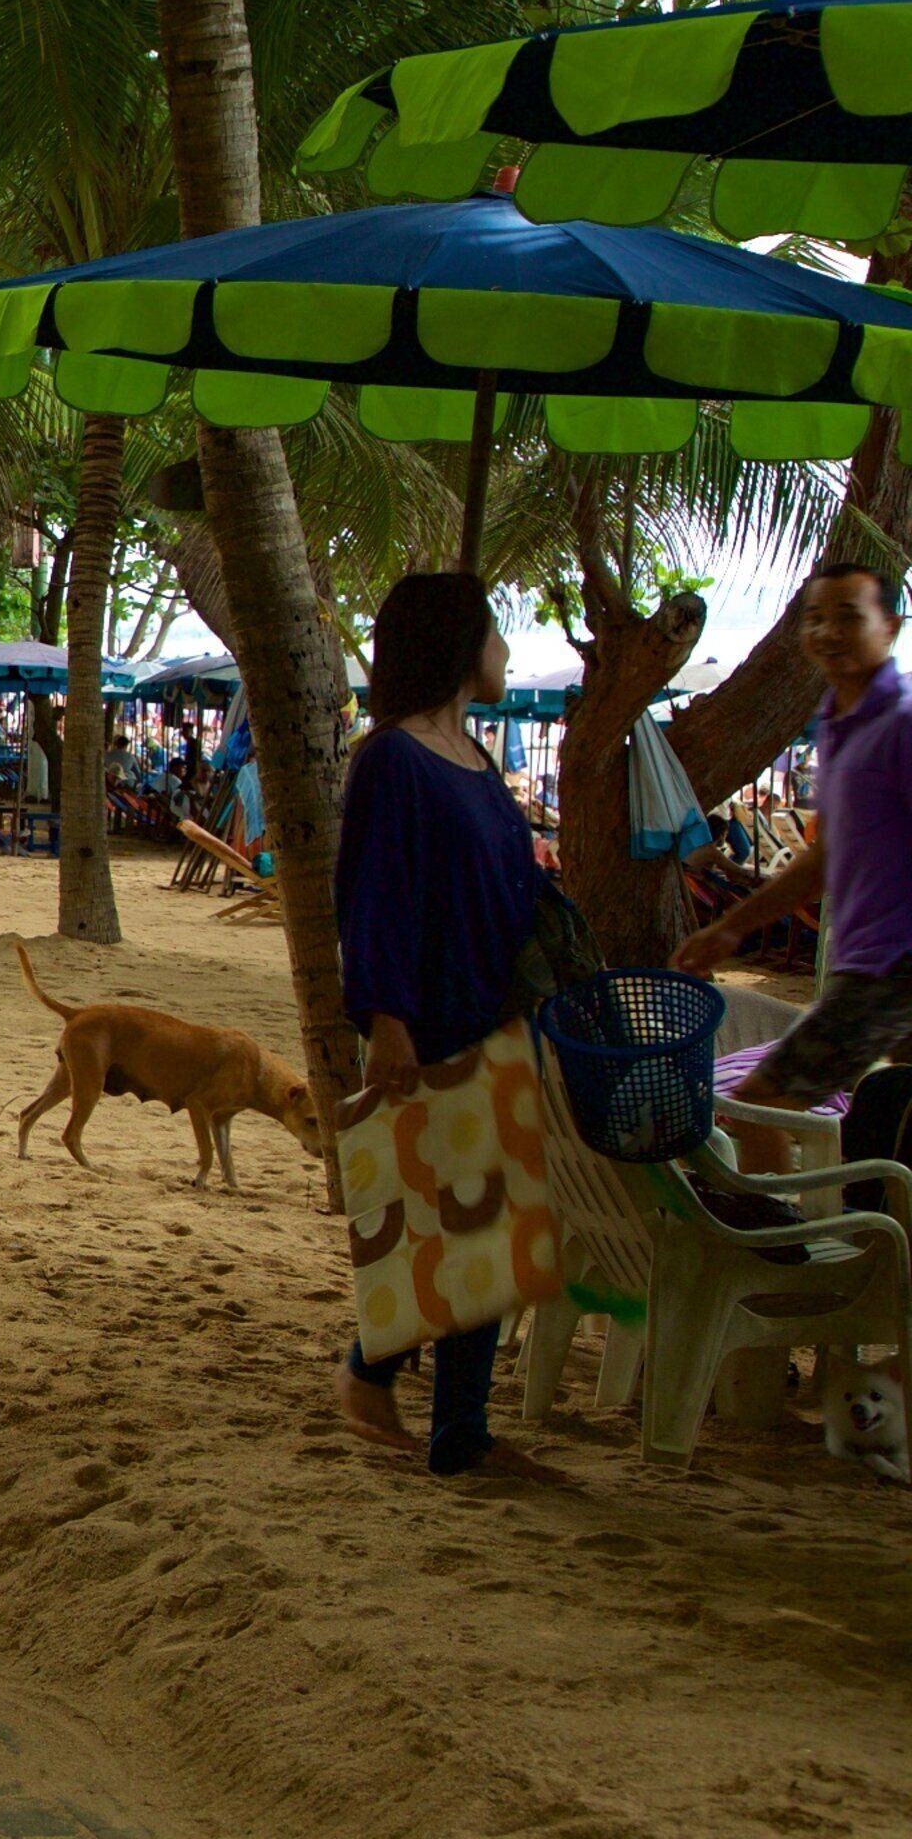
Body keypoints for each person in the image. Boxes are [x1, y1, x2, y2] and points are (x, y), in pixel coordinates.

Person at [331, 573, 556, 1482]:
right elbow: (375, 897)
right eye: (496, 635)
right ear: (461, 647)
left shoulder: (471, 753)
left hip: (493, 1011)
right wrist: (387, 1021)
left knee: (482, 1230)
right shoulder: (393, 757)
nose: (504, 654)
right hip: (427, 1017)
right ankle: (437, 1419)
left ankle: (410, 1395)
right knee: (462, 1224)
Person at [681, 565, 912, 1116]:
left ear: (891, 627)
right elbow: (823, 860)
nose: (828, 632)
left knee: (761, 1099)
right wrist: (732, 926)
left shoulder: (899, 726)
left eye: (848, 617)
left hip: (892, 964)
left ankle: (774, 1206)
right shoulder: (838, 725)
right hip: (866, 959)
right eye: (816, 619)